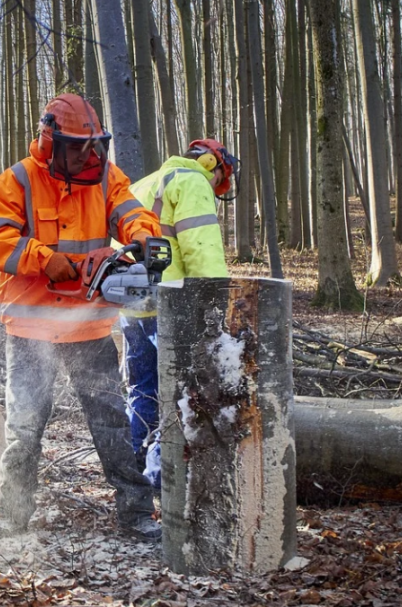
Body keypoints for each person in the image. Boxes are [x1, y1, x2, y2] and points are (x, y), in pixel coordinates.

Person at [0, 93, 163, 541]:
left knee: (112, 422)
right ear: (50, 140)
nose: (85, 153)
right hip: (31, 330)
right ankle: (12, 515)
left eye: (91, 144)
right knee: (25, 427)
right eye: (76, 145)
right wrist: (43, 259)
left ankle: (136, 514)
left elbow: (132, 212)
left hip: (88, 326)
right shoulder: (18, 180)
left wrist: (140, 240)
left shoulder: (105, 178)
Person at [120, 139, 239, 490]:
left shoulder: (144, 183)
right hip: (172, 304)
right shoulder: (192, 182)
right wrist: (216, 307)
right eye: (218, 176)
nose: (215, 184)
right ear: (209, 164)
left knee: (142, 386)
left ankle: (131, 466)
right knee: (180, 390)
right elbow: (202, 250)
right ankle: (161, 478)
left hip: (131, 303)